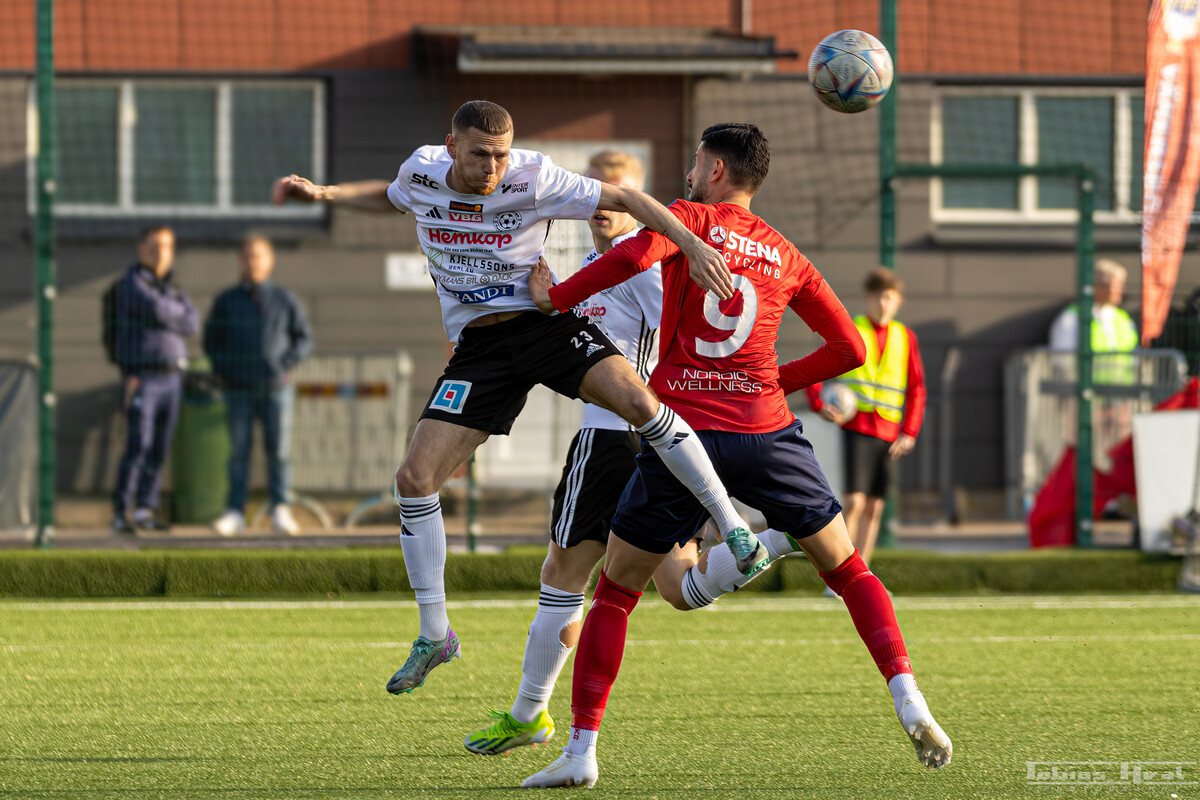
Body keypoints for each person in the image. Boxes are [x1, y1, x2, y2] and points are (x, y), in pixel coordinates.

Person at [273, 100, 764, 696]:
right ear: (451, 147)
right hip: (480, 352)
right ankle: (435, 634)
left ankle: (732, 523)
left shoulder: (534, 176)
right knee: (414, 477)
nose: (493, 167)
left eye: (501, 155)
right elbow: (395, 195)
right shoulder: (422, 171)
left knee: (640, 405)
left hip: (541, 326)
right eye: (481, 154)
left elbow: (629, 200)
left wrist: (691, 244)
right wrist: (325, 194)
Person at [521, 123, 952, 789]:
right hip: (766, 431)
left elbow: (629, 260)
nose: (689, 175)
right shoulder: (785, 252)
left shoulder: (686, 220)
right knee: (849, 571)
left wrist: (557, 296)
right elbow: (851, 349)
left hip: (683, 435)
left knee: (614, 593)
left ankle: (581, 752)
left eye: (697, 163)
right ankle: (910, 698)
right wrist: (775, 382)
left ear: (716, 170)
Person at [461, 150, 768, 755]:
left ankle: (529, 715)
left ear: (639, 204)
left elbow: (697, 334)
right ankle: (775, 539)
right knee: (678, 587)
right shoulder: (594, 268)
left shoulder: (643, 267)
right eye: (599, 192)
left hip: (613, 438)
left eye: (619, 193)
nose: (605, 204)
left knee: (563, 574)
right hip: (662, 445)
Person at [804, 268, 926, 569]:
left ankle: (863, 572)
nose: (883, 304)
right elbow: (814, 367)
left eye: (889, 298)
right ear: (868, 299)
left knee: (875, 506)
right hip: (856, 426)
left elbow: (916, 387)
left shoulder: (905, 337)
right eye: (877, 297)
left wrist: (909, 432)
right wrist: (819, 404)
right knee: (855, 502)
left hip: (888, 432)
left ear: (898, 301)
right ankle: (839, 570)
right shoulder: (853, 328)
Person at [203, 235, 313, 536]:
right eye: (247, 256)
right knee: (238, 451)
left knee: (278, 451)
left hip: (276, 387)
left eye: (258, 256)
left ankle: (280, 509)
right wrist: (226, 369)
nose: (252, 262)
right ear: (240, 262)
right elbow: (212, 341)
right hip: (237, 388)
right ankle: (235, 511)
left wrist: (283, 364)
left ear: (270, 261)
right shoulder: (227, 301)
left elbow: (303, 339)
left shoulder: (284, 299)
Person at [110, 226, 200, 534]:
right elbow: (158, 310)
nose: (161, 253)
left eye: (167, 246)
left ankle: (145, 509)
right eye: (154, 246)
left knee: (160, 447)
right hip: (144, 378)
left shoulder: (173, 289)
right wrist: (174, 314)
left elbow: (192, 323)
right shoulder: (131, 283)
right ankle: (121, 512)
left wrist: (171, 314)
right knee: (139, 445)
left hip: (173, 379)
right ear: (141, 249)